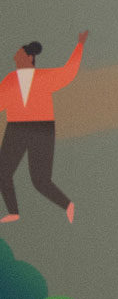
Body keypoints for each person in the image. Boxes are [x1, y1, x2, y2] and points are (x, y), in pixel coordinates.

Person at [0, 33, 84, 224]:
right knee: (2, 173)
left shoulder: (44, 77)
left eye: (18, 54)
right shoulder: (11, 79)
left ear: (30, 58)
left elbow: (68, 72)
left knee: (40, 180)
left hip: (41, 129)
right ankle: (13, 211)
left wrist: (79, 46)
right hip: (16, 129)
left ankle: (67, 204)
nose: (15, 57)